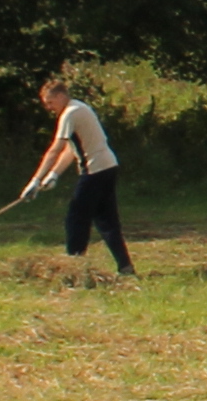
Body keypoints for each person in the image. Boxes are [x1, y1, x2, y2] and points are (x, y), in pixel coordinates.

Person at [25, 75, 132, 278]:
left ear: (61, 96)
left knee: (76, 218)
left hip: (96, 170)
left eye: (51, 102)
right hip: (108, 167)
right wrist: (54, 174)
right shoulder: (78, 108)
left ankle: (73, 268)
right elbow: (71, 149)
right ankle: (125, 267)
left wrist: (36, 180)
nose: (49, 107)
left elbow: (55, 149)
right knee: (106, 221)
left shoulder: (70, 113)